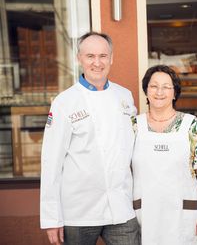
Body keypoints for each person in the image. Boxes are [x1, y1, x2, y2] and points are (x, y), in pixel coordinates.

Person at [40, 32, 140, 245]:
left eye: (103, 56)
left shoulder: (125, 96)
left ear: (111, 58)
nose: (97, 62)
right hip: (79, 212)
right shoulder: (64, 102)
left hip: (121, 206)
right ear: (79, 59)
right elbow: (51, 162)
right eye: (90, 56)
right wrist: (51, 218)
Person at [131, 65, 197, 244]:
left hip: (185, 216)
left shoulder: (191, 125)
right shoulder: (133, 126)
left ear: (175, 93)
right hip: (145, 215)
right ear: (146, 90)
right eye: (153, 86)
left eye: (166, 87)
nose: (159, 92)